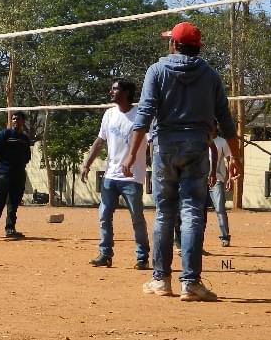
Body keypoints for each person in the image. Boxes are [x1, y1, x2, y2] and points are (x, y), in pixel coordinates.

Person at [121, 21, 241, 302]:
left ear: (174, 44)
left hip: (165, 147)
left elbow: (145, 114)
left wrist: (131, 153)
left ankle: (161, 280)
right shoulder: (210, 75)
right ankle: (191, 283)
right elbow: (225, 119)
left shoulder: (157, 70)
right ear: (198, 48)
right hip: (197, 147)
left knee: (165, 213)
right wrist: (235, 157)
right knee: (192, 213)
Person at [81, 79, 150, 270]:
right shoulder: (109, 114)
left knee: (137, 218)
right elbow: (100, 140)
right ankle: (105, 254)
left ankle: (142, 257)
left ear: (127, 92)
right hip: (110, 176)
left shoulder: (140, 115)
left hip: (132, 177)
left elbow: (152, 142)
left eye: (115, 89)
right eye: (111, 88)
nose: (111, 92)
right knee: (104, 215)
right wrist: (87, 163)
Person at [0, 111, 32, 239]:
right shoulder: (4, 134)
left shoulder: (24, 138)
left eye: (18, 119)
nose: (16, 121)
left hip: (19, 174)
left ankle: (10, 229)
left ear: (23, 121)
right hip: (5, 174)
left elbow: (28, 156)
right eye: (14, 119)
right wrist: (3, 163)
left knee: (13, 203)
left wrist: (20, 165)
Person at [208, 131, 231, 247]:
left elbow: (228, 160)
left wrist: (229, 178)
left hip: (217, 180)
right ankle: (196, 239)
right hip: (200, 180)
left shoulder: (222, 142)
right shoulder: (200, 139)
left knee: (220, 209)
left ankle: (225, 237)